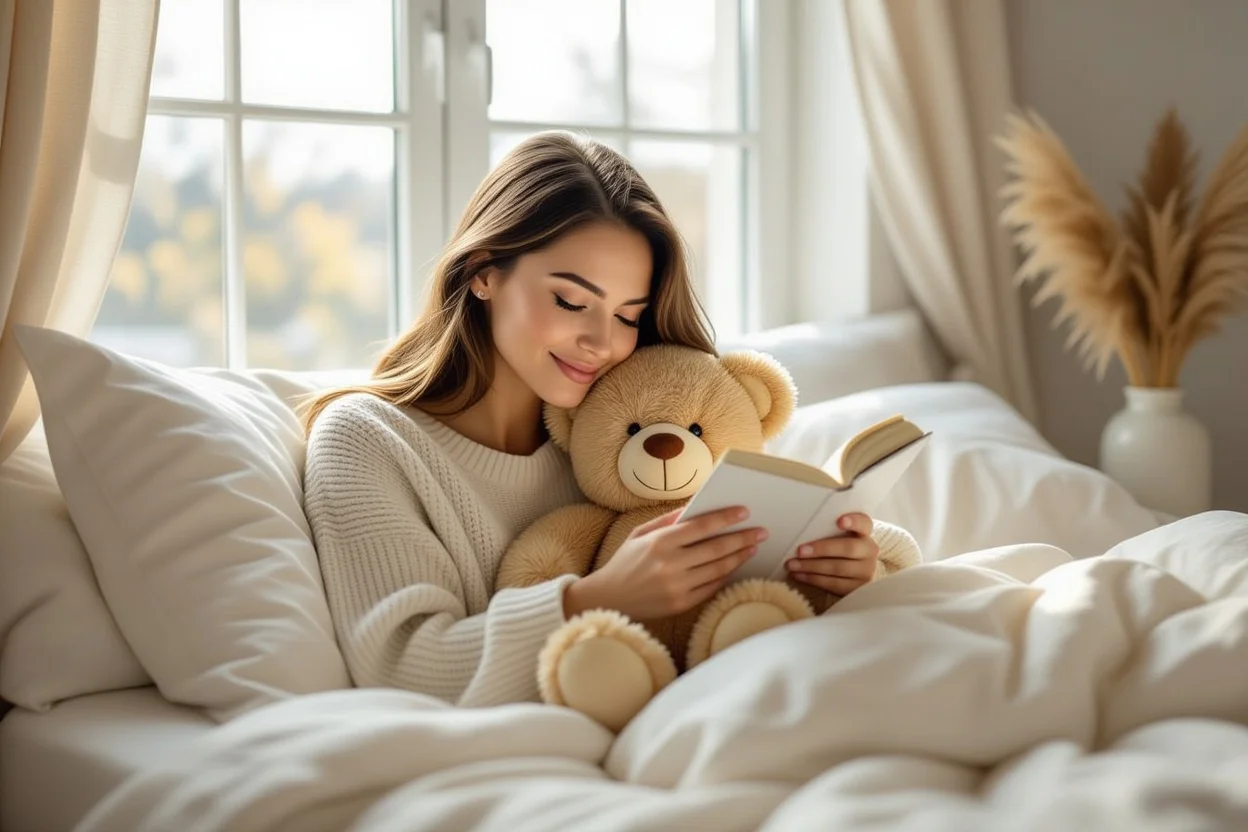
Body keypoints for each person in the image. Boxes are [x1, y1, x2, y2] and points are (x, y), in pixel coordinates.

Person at [300, 131, 918, 708]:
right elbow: (400, 665)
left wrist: (856, 566)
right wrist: (596, 601)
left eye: (628, 316)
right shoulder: (366, 438)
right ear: (483, 272)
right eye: (572, 301)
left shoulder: (635, 425)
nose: (603, 342)